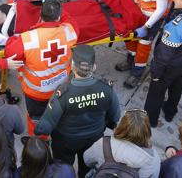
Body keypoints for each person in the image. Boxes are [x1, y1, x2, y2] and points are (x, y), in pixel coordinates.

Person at [34, 45, 121, 178]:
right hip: (94, 139)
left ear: (73, 66)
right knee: (87, 169)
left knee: (63, 169)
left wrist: (37, 128)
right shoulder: (107, 90)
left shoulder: (62, 94)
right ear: (94, 67)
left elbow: (44, 127)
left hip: (65, 142)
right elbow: (115, 117)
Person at [4, 0, 79, 136]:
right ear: (58, 16)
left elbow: (10, 52)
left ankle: (39, 141)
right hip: (61, 86)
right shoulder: (69, 31)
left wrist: (14, 39)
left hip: (36, 92)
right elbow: (71, 21)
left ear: (40, 16)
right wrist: (61, 10)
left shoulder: (28, 39)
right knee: (57, 112)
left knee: (36, 118)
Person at [116, 0, 174, 88]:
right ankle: (130, 61)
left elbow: (160, 10)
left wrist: (146, 26)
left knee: (143, 44)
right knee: (129, 36)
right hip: (137, 9)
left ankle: (137, 73)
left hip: (152, 15)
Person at [83, 109, 161, 178]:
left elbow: (87, 159)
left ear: (121, 126)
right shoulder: (154, 159)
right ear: (147, 132)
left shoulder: (103, 143)